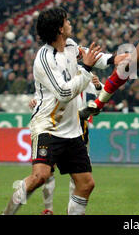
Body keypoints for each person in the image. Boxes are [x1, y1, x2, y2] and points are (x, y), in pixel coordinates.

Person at [2, 7, 128, 215]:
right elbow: (63, 92)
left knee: (86, 184)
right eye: (67, 21)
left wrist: (117, 59)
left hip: (71, 129)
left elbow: (93, 57)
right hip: (48, 126)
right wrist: (86, 69)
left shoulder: (70, 46)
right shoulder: (44, 59)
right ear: (60, 29)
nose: (70, 23)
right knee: (40, 176)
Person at [28, 75, 103, 215]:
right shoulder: (54, 71)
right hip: (53, 124)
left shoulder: (85, 74)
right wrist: (34, 101)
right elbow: (42, 95)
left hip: (79, 127)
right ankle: (48, 209)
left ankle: (73, 209)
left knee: (79, 175)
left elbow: (101, 99)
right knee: (47, 171)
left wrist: (98, 86)